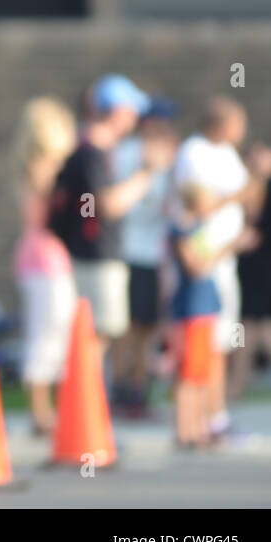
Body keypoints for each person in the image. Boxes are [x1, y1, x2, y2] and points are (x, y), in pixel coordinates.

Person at [47, 75, 172, 371]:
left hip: (94, 254)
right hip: (95, 255)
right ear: (116, 111)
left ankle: (85, 402)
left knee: (101, 333)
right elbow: (107, 205)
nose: (135, 118)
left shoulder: (94, 150)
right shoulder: (92, 153)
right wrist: (148, 173)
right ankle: (81, 405)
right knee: (98, 334)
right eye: (130, 110)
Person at [170, 97, 271, 438]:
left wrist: (258, 178)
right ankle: (193, 428)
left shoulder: (230, 155)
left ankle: (210, 420)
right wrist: (231, 239)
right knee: (195, 365)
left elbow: (250, 200)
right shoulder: (194, 153)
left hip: (219, 277)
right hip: (199, 290)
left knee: (216, 350)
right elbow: (198, 258)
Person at [169, 183, 260, 448]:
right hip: (193, 309)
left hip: (205, 308)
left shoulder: (197, 229)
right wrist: (230, 247)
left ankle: (199, 427)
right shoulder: (183, 229)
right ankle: (187, 430)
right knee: (190, 373)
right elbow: (197, 267)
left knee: (202, 371)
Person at [9, 96, 78, 435]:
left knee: (55, 333)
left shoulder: (34, 168)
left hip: (46, 257)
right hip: (43, 259)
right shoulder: (42, 170)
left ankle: (50, 409)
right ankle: (41, 412)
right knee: (45, 334)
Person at [111, 97, 180, 418]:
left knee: (147, 327)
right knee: (126, 326)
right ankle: (119, 388)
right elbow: (123, 205)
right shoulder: (126, 154)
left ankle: (138, 391)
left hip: (154, 256)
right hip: (129, 252)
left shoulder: (168, 160)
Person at [231, 143, 271, 400]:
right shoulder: (264, 184)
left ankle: (235, 380)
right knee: (249, 325)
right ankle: (236, 378)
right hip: (254, 268)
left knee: (251, 325)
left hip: (262, 267)